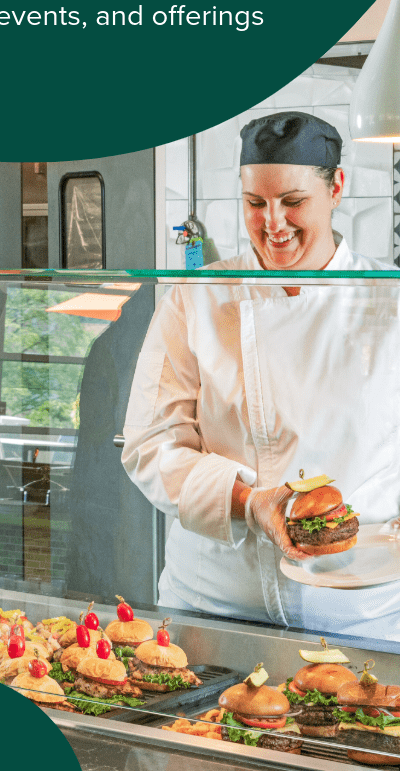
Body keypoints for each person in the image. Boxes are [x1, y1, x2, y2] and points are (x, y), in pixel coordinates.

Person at [122, 111, 400, 638]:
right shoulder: (197, 295)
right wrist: (252, 503)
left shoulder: (390, 294)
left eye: (293, 202)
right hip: (212, 603)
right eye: (255, 203)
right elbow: (150, 444)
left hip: (365, 614)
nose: (273, 223)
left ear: (336, 186)